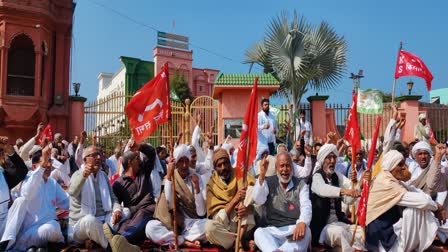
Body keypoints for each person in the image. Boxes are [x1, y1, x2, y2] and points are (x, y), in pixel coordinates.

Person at [365, 150, 440, 252]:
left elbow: (413, 190)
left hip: (389, 232)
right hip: (383, 241)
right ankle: (424, 246)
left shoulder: (389, 177)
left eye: (404, 163)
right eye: (400, 165)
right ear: (391, 166)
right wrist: (437, 207)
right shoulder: (386, 182)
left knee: (421, 203)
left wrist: (435, 205)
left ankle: (426, 243)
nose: (405, 167)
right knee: (414, 210)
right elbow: (424, 202)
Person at [68, 145, 139, 251]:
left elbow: (113, 198)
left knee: (126, 211)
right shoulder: (77, 175)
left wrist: (116, 210)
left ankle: (100, 238)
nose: (98, 158)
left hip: (104, 220)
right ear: (85, 159)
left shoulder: (103, 176)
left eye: (99, 154)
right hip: (81, 224)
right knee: (90, 221)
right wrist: (84, 176)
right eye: (94, 155)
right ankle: (112, 246)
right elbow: (72, 192)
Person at [0, 146, 68, 251]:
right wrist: (42, 167)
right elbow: (28, 193)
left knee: (65, 227)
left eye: (49, 161)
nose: (48, 165)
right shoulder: (28, 180)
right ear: (33, 166)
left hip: (48, 229)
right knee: (53, 227)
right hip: (29, 233)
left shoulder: (52, 182)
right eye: (44, 162)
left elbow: (66, 202)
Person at [146, 144, 207, 249]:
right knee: (150, 227)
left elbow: (201, 212)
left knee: (209, 226)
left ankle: (177, 239)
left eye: (186, 161)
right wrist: (169, 177)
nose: (184, 165)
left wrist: (196, 188)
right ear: (176, 163)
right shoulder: (169, 178)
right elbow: (169, 203)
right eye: (180, 161)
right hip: (172, 223)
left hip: (191, 225)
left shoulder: (196, 177)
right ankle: (183, 241)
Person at [252, 151, 311, 251]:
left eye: (288, 165)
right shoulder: (268, 182)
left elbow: (306, 206)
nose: (285, 170)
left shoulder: (301, 185)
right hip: (273, 231)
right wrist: (262, 174)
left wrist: (302, 222)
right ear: (276, 168)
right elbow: (258, 200)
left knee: (307, 231)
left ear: (292, 167)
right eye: (282, 166)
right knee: (259, 232)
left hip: (294, 230)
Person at [309, 144, 365, 251]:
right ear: (323, 160)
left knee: (361, 230)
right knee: (341, 233)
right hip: (324, 227)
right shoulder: (317, 176)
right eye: (329, 158)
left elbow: (348, 200)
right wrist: (344, 191)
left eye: (334, 157)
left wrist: (359, 184)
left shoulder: (337, 176)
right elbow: (323, 189)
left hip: (339, 222)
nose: (332, 161)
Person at [205, 148, 256, 251]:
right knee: (209, 228)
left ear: (230, 162)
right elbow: (217, 219)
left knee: (250, 190)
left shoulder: (239, 173)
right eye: (219, 165)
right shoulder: (211, 184)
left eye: (225, 163)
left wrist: (248, 208)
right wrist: (235, 200)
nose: (223, 167)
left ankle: (239, 241)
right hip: (225, 227)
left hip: (243, 223)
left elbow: (256, 195)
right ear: (215, 168)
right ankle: (239, 243)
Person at [110, 146, 157, 245]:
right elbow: (115, 202)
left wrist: (139, 147)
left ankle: (123, 239)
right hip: (132, 214)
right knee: (124, 223)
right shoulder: (118, 183)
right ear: (130, 162)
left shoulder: (144, 172)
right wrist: (117, 212)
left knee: (142, 213)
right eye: (137, 158)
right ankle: (117, 239)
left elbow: (152, 153)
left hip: (149, 209)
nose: (140, 160)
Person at [0, 137, 28, 249]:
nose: (1, 153)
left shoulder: (3, 174)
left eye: (1, 150)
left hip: (3, 225)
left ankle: (4, 245)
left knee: (21, 201)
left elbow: (22, 171)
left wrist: (9, 150)